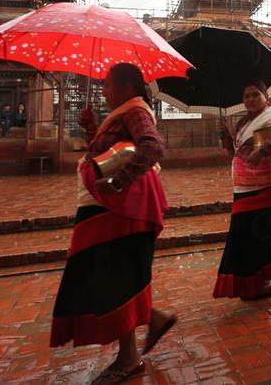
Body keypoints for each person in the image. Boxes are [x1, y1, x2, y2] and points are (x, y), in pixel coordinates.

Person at [50, 63, 176, 385]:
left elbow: (151, 146)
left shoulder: (135, 111)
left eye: (107, 84)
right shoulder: (121, 114)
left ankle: (129, 358)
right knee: (112, 274)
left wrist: (119, 181)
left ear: (126, 86)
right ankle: (152, 319)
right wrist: (93, 131)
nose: (103, 90)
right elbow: (112, 151)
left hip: (117, 207)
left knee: (113, 276)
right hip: (105, 206)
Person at [214, 79, 271, 301]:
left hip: (270, 186)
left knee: (261, 233)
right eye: (246, 96)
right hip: (243, 187)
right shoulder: (242, 123)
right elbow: (235, 154)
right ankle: (260, 284)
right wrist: (226, 135)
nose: (250, 99)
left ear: (265, 96)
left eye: (255, 95)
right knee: (242, 236)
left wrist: (262, 152)